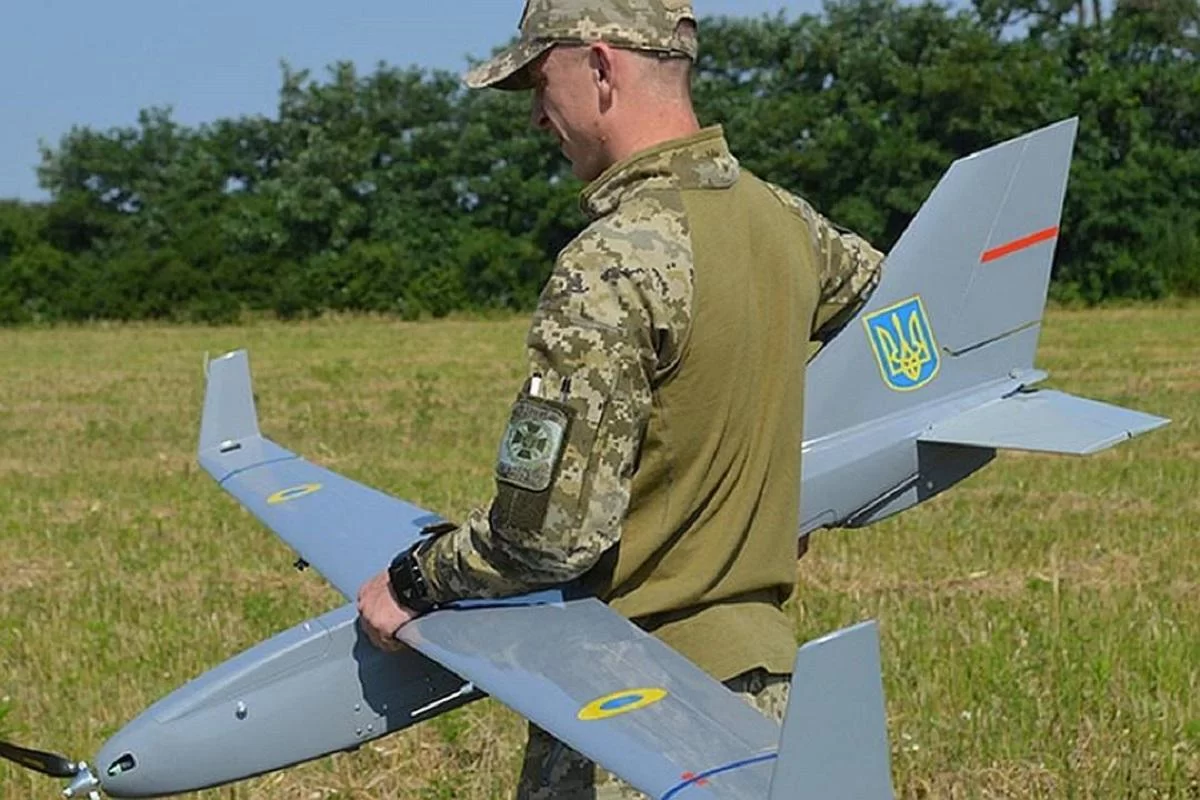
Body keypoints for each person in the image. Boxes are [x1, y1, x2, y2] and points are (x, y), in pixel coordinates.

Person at [358, 1, 884, 796]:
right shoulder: (787, 224)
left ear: (601, 67)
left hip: (630, 711)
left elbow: (548, 537)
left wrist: (414, 580)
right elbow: (890, 317)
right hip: (764, 706)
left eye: (541, 83)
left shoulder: (609, 262)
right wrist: (775, 493)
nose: (537, 116)